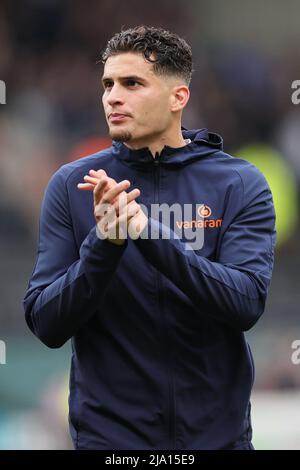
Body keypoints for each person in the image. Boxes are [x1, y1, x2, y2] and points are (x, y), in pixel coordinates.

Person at [24, 25, 276, 450]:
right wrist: (105, 242)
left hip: (218, 442)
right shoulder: (73, 185)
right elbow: (46, 322)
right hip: (110, 445)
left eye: (132, 83)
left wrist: (146, 233)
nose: (112, 96)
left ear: (179, 97)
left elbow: (246, 303)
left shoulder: (239, 182)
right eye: (107, 84)